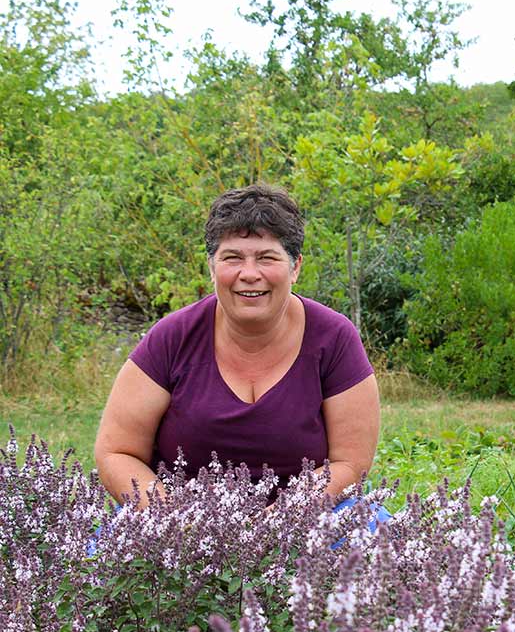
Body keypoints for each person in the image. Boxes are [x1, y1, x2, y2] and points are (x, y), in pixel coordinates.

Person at [94, 184, 380, 508]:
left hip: (308, 521)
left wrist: (284, 520)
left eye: (266, 258)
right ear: (212, 267)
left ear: (295, 266)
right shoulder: (172, 337)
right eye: (232, 258)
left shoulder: (334, 338)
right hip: (180, 528)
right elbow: (117, 452)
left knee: (380, 548)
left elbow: (350, 463)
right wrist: (174, 521)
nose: (249, 274)